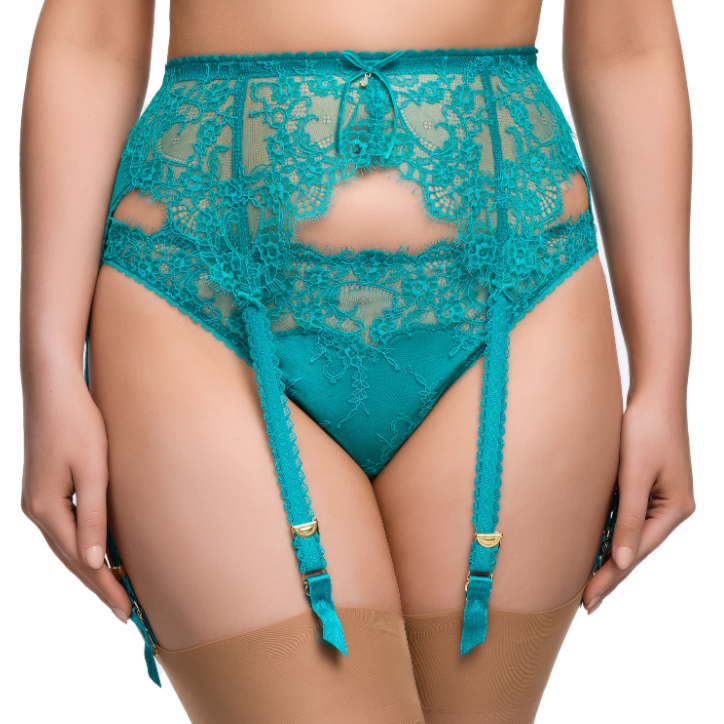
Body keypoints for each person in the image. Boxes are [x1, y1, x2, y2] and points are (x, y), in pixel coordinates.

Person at [19, 1, 694, 721]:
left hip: (518, 304)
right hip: (199, 300)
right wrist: (48, 366)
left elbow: (628, 48)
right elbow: (92, 38)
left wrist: (664, 381)